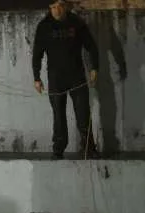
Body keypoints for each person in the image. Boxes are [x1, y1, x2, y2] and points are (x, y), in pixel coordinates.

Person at [32, 0, 100, 159]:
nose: (57, 10)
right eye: (53, 7)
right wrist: (36, 77)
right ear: (50, 8)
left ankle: (89, 148)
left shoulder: (76, 23)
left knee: (83, 113)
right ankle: (58, 150)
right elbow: (37, 53)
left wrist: (94, 68)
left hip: (77, 76)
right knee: (58, 115)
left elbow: (91, 46)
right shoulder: (44, 26)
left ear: (65, 6)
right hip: (56, 78)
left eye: (60, 6)